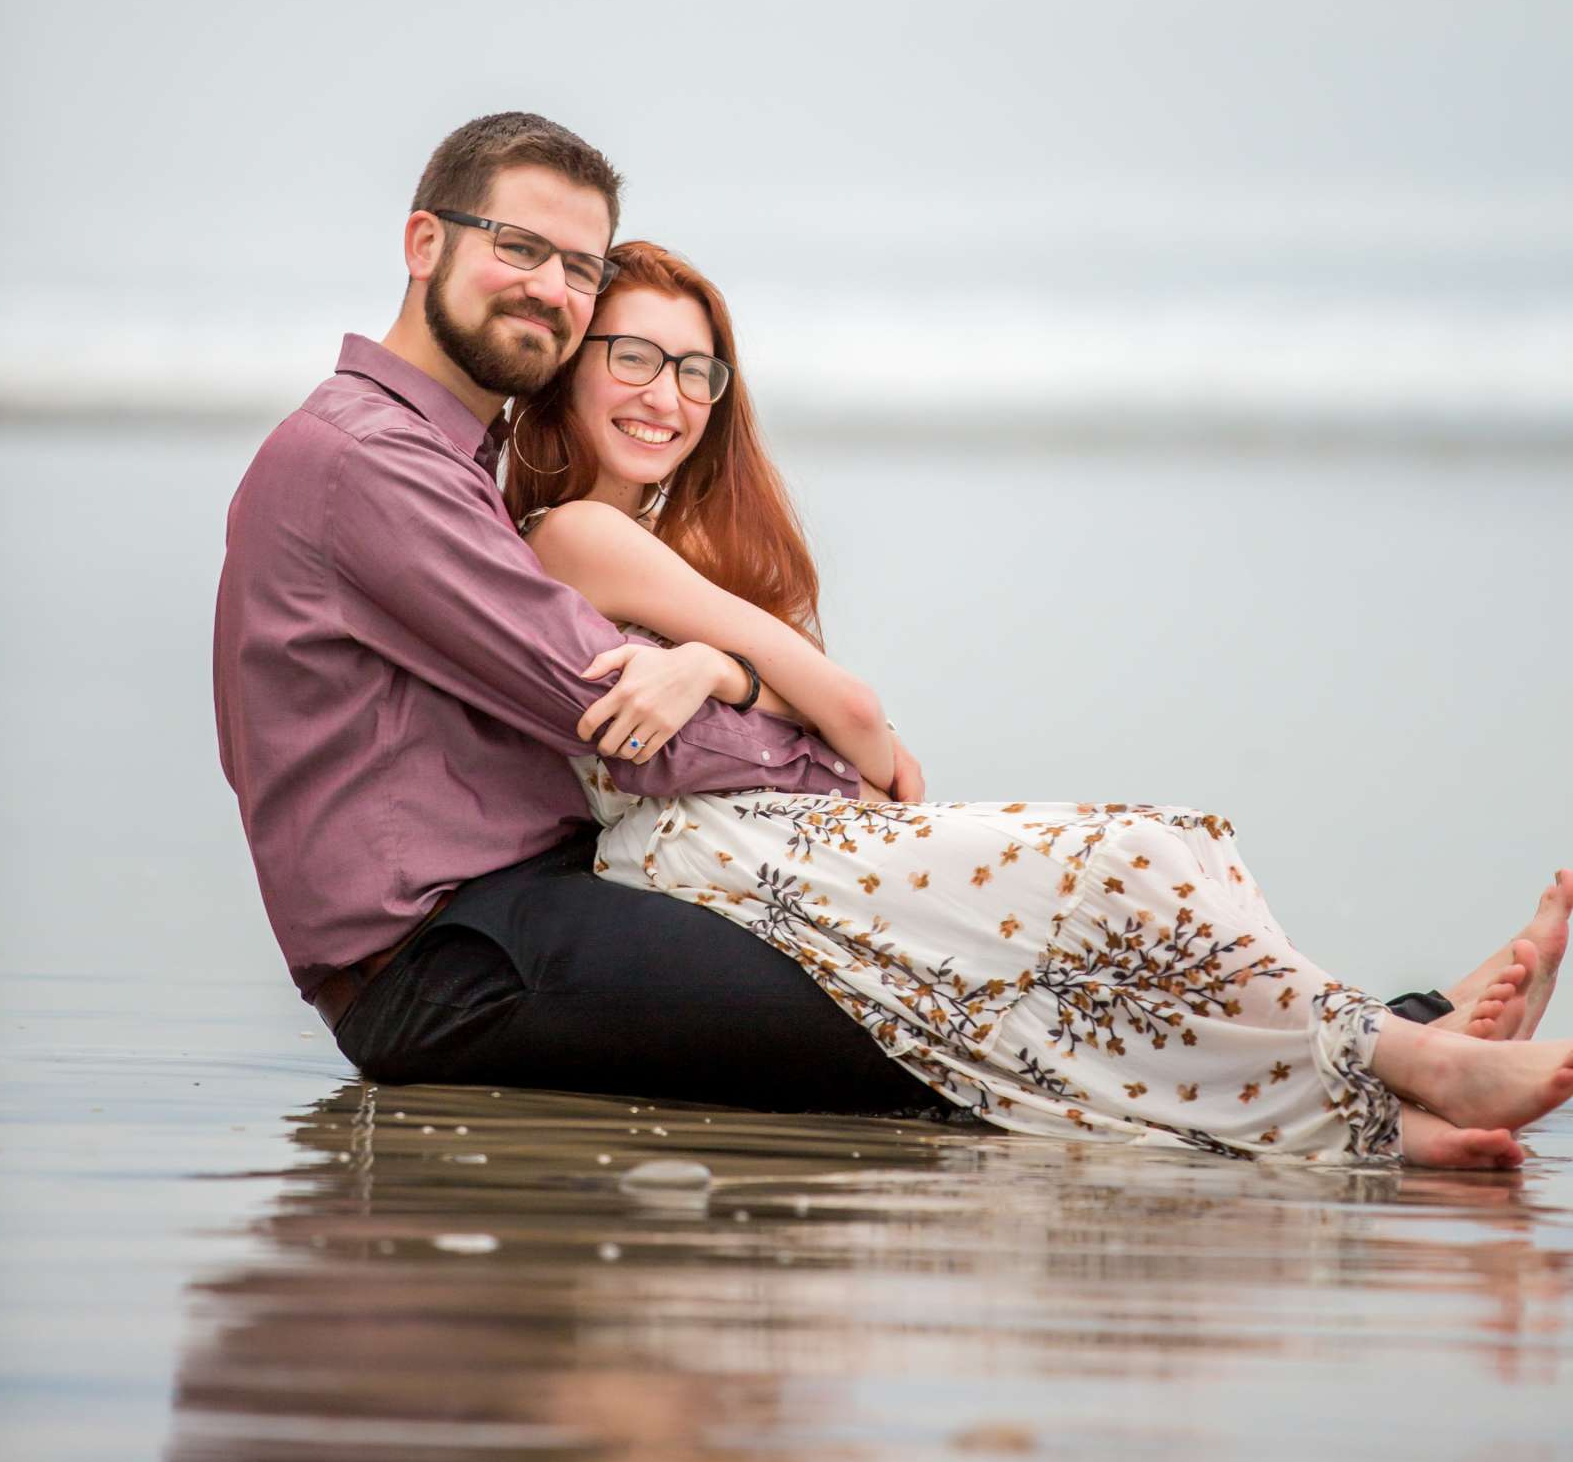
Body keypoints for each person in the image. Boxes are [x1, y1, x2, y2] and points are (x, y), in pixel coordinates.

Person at [503, 237, 1573, 1170]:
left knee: (1133, 911)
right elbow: (861, 718)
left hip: (770, 838)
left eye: (696, 368)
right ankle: (1413, 1052)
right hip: (711, 857)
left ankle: (1383, 1102)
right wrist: (748, 675)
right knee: (1134, 864)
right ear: (569, 371)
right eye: (633, 357)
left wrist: (715, 670)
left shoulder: (672, 552)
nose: (668, 394)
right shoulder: (577, 531)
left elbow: (845, 730)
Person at [214, 112, 930, 1117]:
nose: (550, 288)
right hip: (446, 958)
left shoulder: (450, 463)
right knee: (909, 1024)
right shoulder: (371, 462)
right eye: (518, 247)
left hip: (512, 917)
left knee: (940, 986)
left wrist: (729, 677)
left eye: (579, 267)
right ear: (426, 245)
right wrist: (832, 756)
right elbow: (623, 729)